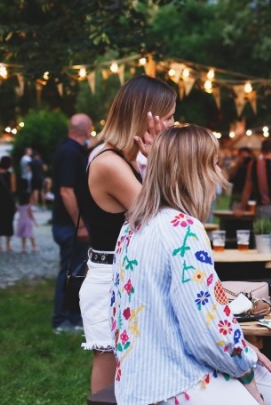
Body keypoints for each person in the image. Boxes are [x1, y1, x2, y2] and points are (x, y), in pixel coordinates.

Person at [111, 125, 271, 405]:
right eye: (213, 163)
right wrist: (246, 372)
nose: (219, 173)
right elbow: (204, 330)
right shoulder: (185, 229)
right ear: (195, 171)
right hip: (176, 380)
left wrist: (244, 351)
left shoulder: (130, 227)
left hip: (134, 380)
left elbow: (118, 313)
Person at [76, 75, 175, 394]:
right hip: (109, 280)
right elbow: (160, 219)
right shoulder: (110, 163)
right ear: (147, 116)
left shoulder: (126, 159)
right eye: (170, 116)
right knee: (110, 368)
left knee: (133, 368)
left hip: (123, 273)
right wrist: (162, 158)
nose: (173, 125)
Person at [50, 113, 93, 333]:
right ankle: (62, 320)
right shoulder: (69, 152)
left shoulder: (72, 149)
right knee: (69, 271)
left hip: (70, 224)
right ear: (86, 129)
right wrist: (81, 225)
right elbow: (66, 191)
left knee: (76, 270)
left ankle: (73, 317)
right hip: (70, 225)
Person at [239, 139, 271, 248]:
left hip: (263, 209)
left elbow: (248, 188)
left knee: (261, 244)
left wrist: (242, 207)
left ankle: (263, 264)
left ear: (261, 149)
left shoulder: (253, 164)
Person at [0, 155, 16, 251]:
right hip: (8, 202)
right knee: (8, 222)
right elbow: (13, 189)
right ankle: (8, 245)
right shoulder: (11, 175)